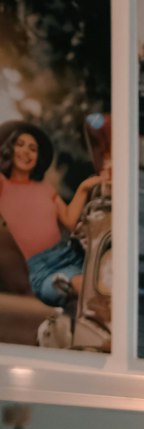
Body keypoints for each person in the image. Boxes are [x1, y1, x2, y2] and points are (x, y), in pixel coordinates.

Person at [0, 121, 109, 305]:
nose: (26, 152)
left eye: (32, 149)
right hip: (45, 270)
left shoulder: (45, 188)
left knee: (108, 282)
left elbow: (69, 221)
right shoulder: (4, 185)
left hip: (72, 254)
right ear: (8, 149)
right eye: (19, 145)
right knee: (87, 287)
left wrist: (84, 188)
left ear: (38, 158)